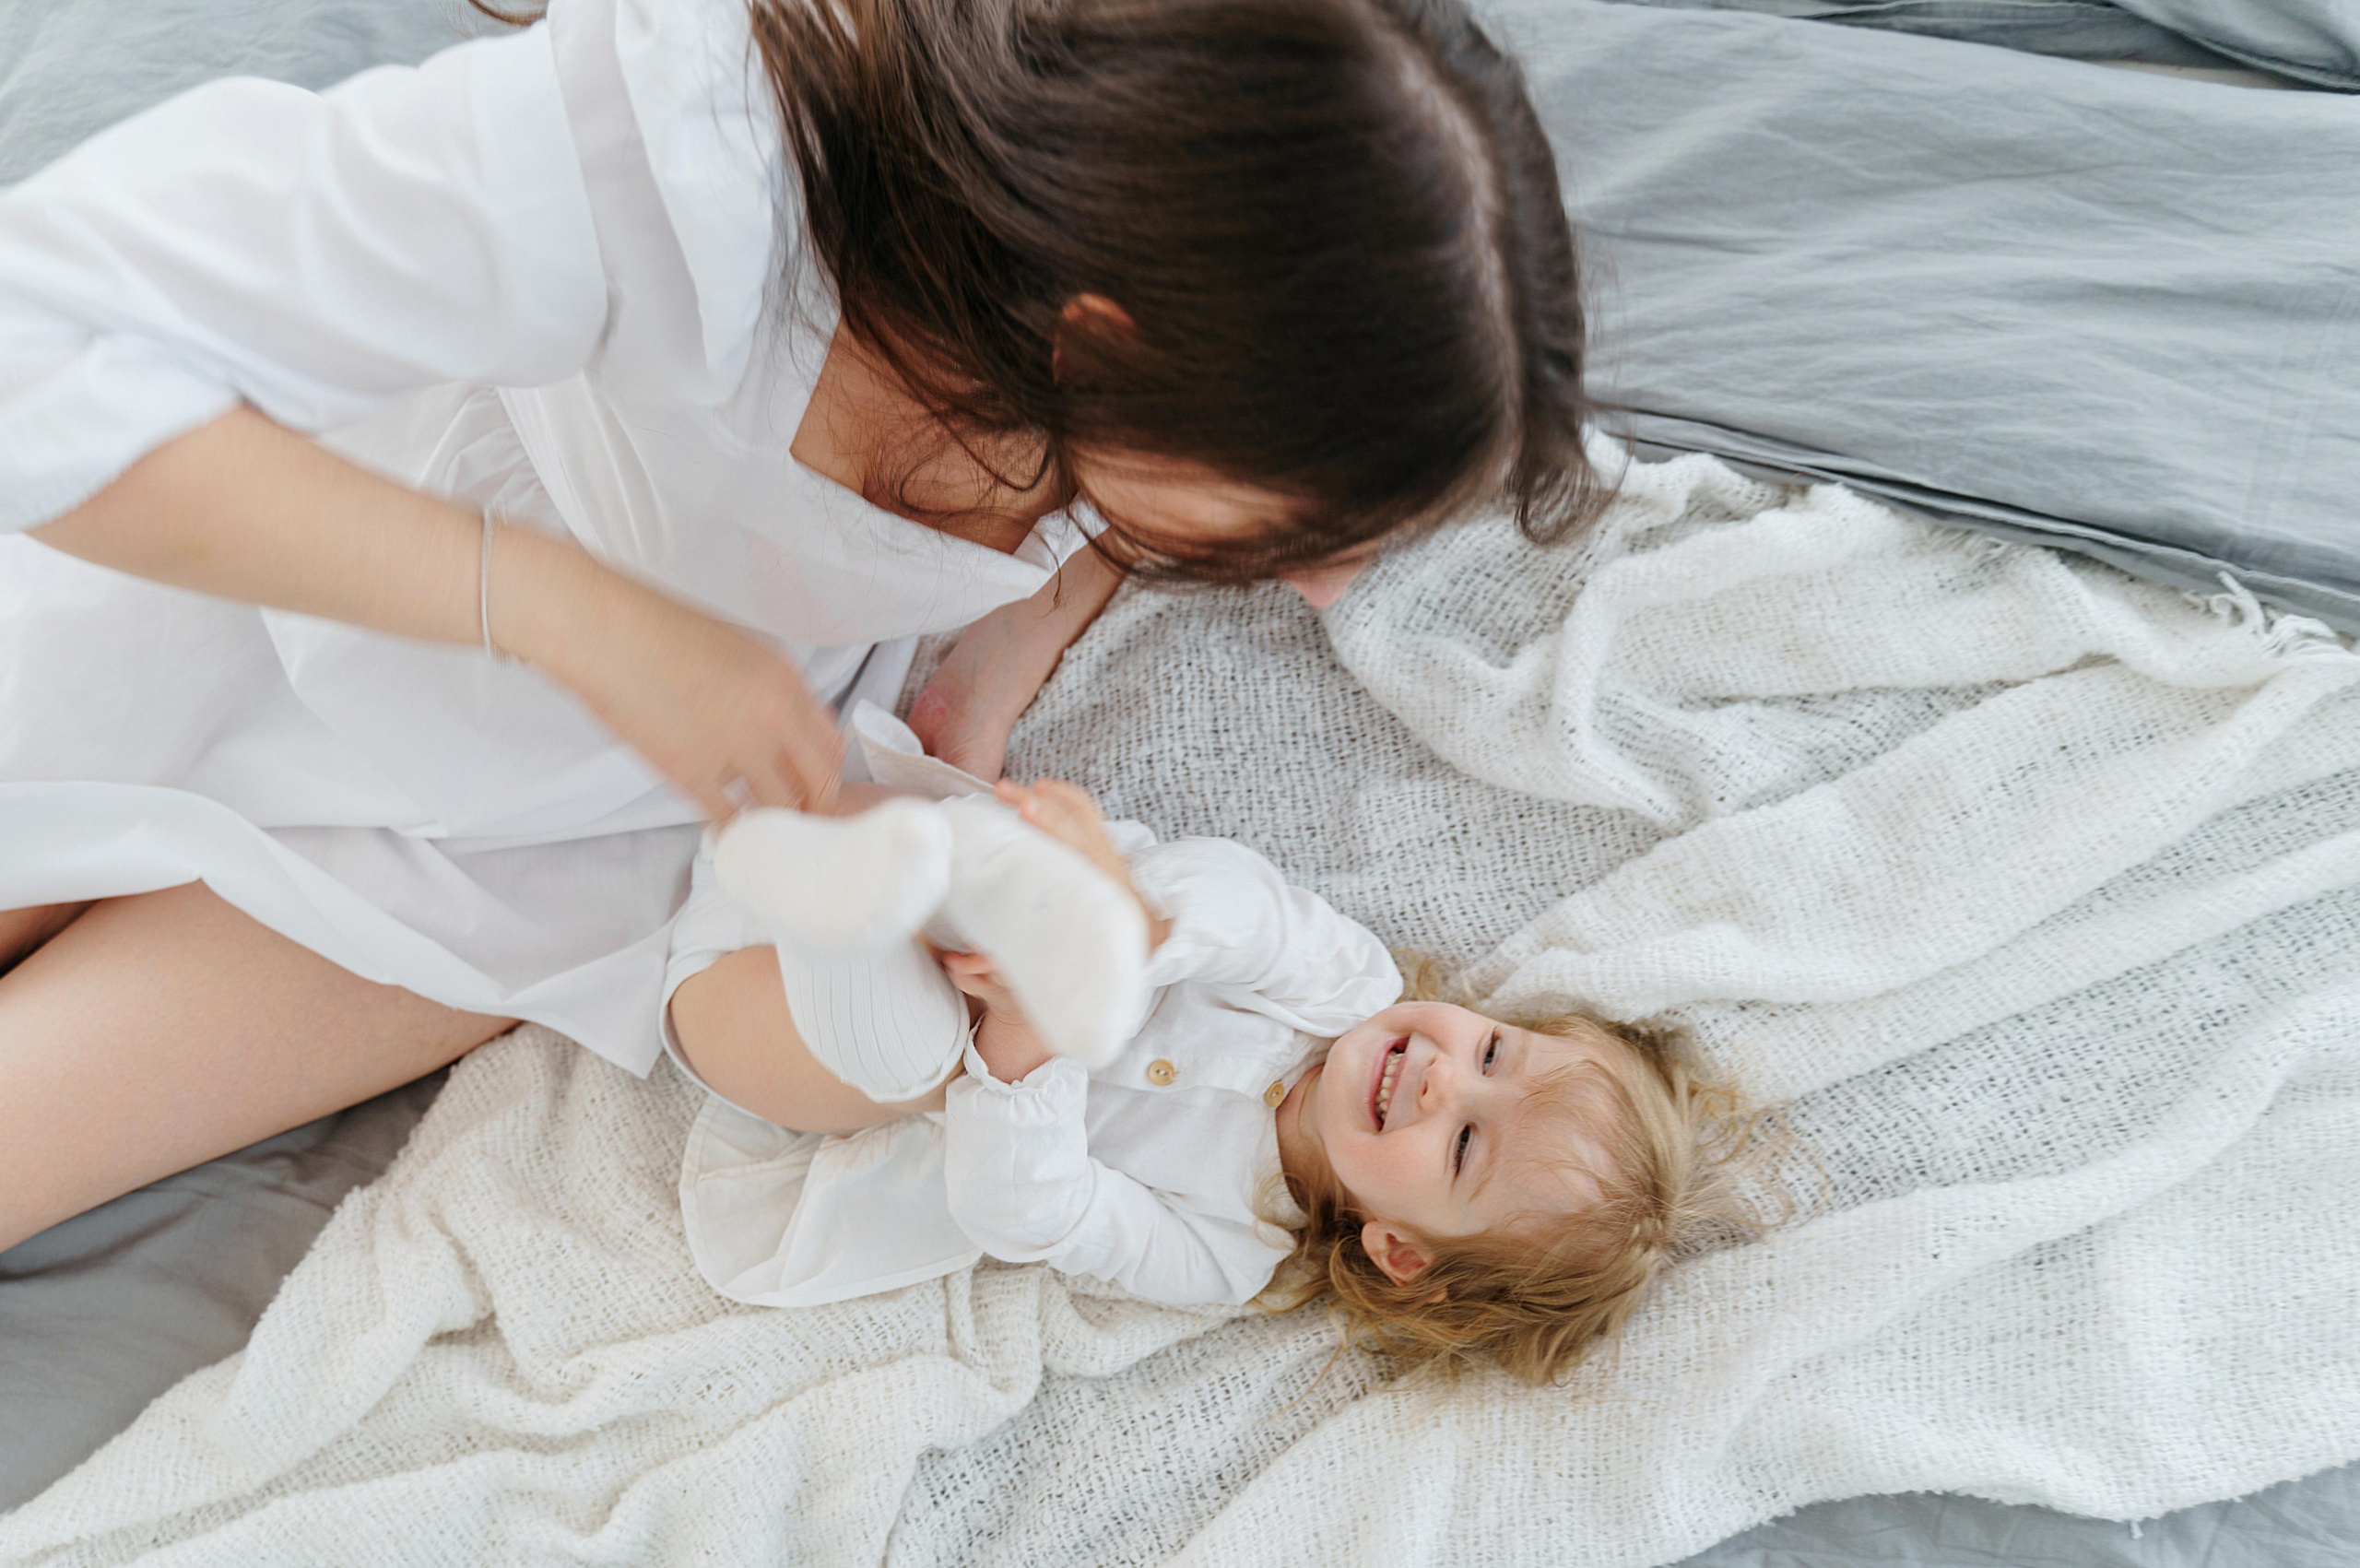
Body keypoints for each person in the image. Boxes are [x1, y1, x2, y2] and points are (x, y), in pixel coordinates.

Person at [0, 0, 1603, 1253]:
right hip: (270, 587)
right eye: (1293, 529)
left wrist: (982, 682)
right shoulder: (690, 167)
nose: (1322, 585)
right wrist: (572, 616)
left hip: (558, 847)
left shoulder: (1115, 332)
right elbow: (38, 354)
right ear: (1100, 346)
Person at [664, 770, 1753, 1383]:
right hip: (912, 858)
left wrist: (1036, 1034)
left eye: (1466, 1143)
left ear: (1400, 1248)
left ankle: (830, 904)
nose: (1440, 1077)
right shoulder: (1345, 982)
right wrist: (1132, 941)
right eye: (1493, 1052)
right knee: (1013, 875)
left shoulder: (1227, 1251)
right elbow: (1233, 897)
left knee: (909, 1063)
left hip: (779, 1017)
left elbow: (1023, 1210)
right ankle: (887, 869)